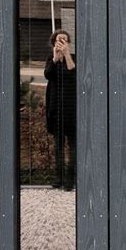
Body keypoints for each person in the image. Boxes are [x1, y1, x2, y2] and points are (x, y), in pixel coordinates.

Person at [44, 29, 76, 190]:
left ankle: (70, 179)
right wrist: (56, 57)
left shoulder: (73, 58)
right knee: (58, 146)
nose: (61, 42)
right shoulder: (52, 59)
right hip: (56, 107)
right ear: (54, 42)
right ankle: (59, 178)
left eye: (64, 39)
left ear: (68, 42)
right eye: (59, 40)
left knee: (73, 145)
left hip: (71, 108)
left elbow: (74, 73)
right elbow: (48, 75)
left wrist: (67, 54)